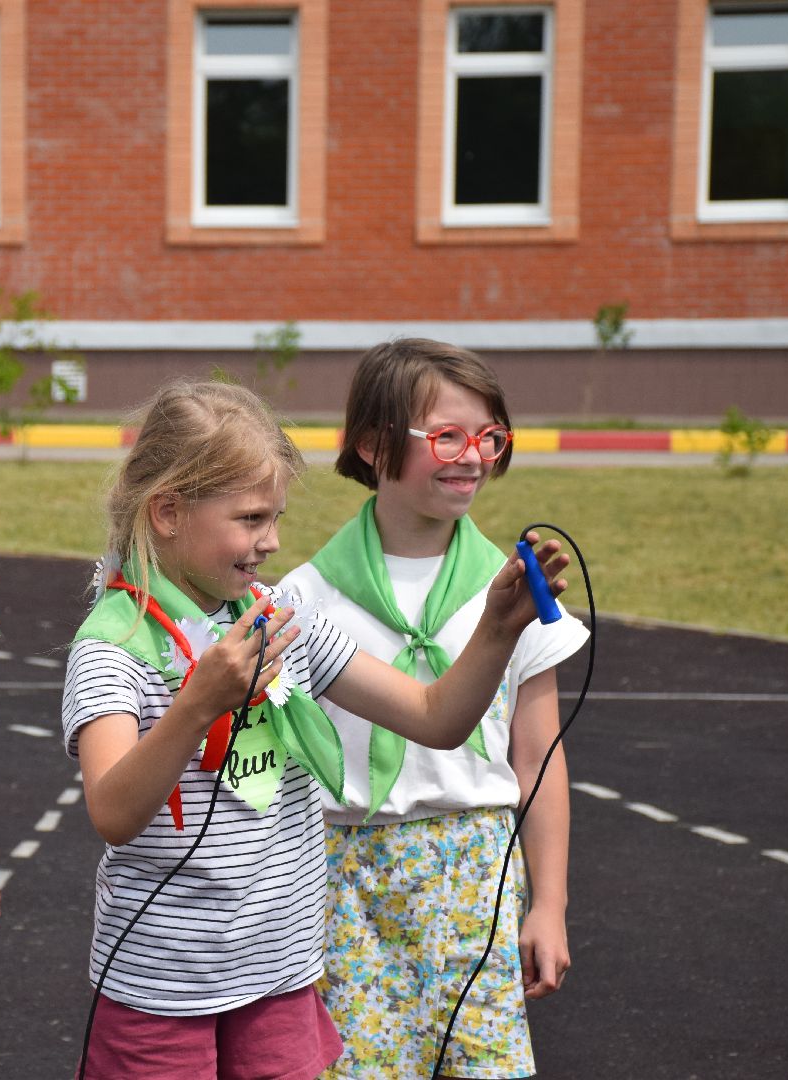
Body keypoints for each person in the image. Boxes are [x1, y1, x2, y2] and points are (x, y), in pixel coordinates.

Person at [61, 379, 570, 1080]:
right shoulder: (114, 645)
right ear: (169, 511)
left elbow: (434, 717)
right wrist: (195, 705)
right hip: (162, 987)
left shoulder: (278, 618)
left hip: (281, 974)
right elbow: (113, 812)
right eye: (248, 519)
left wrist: (495, 630)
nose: (270, 542)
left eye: (275, 518)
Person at [279, 339, 587, 1080]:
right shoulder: (303, 598)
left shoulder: (512, 593)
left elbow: (538, 758)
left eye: (490, 436)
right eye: (447, 436)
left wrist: (549, 905)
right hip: (346, 884)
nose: (472, 457)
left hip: (476, 876)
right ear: (372, 444)